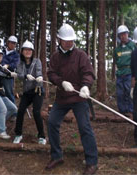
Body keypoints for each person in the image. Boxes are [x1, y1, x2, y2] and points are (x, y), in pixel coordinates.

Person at [46, 24, 98, 175]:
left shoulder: (81, 55)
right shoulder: (55, 56)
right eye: (65, 40)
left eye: (71, 40)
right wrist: (61, 82)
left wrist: (86, 86)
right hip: (62, 97)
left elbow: (88, 72)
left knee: (84, 127)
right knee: (52, 122)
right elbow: (51, 73)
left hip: (79, 97)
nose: (68, 43)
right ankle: (56, 156)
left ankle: (92, 162)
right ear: (59, 40)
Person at [13, 40, 46, 145]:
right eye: (25, 50)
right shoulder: (20, 63)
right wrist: (26, 76)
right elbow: (19, 75)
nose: (28, 52)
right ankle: (18, 134)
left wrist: (39, 76)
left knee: (36, 112)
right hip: (27, 92)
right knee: (20, 110)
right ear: (22, 51)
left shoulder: (37, 61)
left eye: (30, 50)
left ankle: (41, 136)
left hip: (37, 90)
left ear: (32, 51)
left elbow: (39, 71)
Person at [0, 48, 18, 139]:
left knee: (13, 108)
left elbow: (5, 72)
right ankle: (2, 132)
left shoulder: (0, 66)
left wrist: (13, 73)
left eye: (0, 56)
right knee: (2, 110)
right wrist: (9, 74)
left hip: (1, 92)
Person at [114, 25, 135, 115]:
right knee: (120, 93)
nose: (123, 36)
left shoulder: (133, 45)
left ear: (127, 34)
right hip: (120, 73)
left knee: (129, 91)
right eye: (121, 35)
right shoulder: (117, 49)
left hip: (130, 72)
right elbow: (116, 60)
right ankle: (122, 111)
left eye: (124, 34)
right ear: (119, 36)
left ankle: (131, 110)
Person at [1, 35, 20, 104]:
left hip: (8, 77)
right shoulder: (2, 52)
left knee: (9, 93)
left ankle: (13, 112)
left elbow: (15, 64)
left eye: (14, 43)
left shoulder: (16, 55)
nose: (13, 45)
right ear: (8, 43)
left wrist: (8, 65)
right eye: (11, 43)